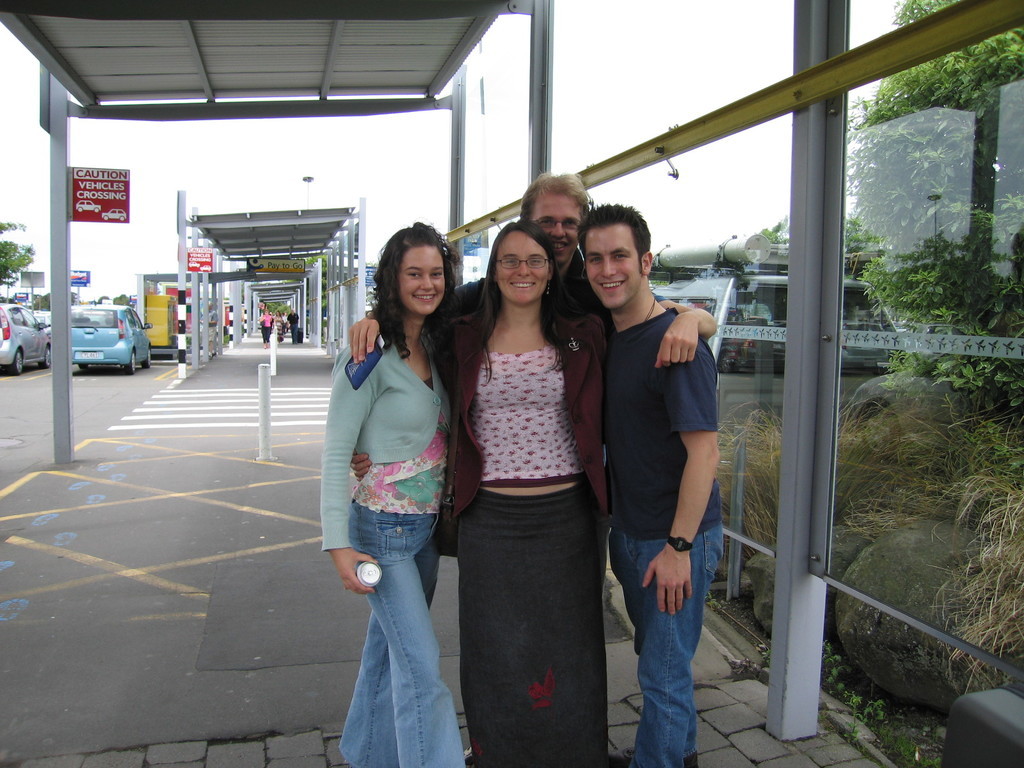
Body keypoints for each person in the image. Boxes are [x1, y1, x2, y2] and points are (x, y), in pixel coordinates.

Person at [450, 220, 608, 767]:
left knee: (571, 648)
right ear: (493, 272)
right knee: (494, 648)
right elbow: (410, 369)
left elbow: (646, 322)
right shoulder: (464, 334)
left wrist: (696, 318)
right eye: (510, 260)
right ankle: (498, 754)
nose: (523, 270)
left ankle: (574, 756)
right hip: (489, 519)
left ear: (550, 270)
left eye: (535, 260)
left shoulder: (580, 331)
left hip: (565, 519)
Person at [580, 204, 724, 768]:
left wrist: (679, 549)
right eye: (596, 259)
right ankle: (677, 756)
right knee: (661, 664)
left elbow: (705, 453)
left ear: (644, 262)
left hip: (674, 540)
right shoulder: (611, 336)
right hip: (635, 532)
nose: (607, 269)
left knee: (662, 678)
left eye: (620, 256)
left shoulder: (677, 345)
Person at [319, 222, 465, 768]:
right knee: (422, 670)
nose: (427, 283)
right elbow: (336, 452)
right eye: (414, 273)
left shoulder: (434, 341)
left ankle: (365, 755)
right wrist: (338, 545)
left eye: (436, 273)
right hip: (380, 536)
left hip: (425, 532)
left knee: (388, 652)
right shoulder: (368, 352)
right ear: (392, 278)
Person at [348, 172, 717, 366]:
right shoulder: (486, 292)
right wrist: (376, 318)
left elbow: (662, 311)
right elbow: (424, 308)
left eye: (569, 222)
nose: (558, 232)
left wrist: (691, 320)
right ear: (525, 223)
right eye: (547, 221)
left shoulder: (598, 286)